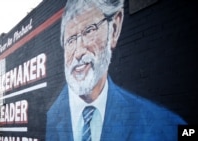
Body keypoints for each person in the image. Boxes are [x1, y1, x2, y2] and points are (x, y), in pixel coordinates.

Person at [46, 0, 186, 141]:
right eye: (70, 40)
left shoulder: (165, 127)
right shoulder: (51, 115)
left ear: (114, 29)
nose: (78, 52)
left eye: (89, 31)